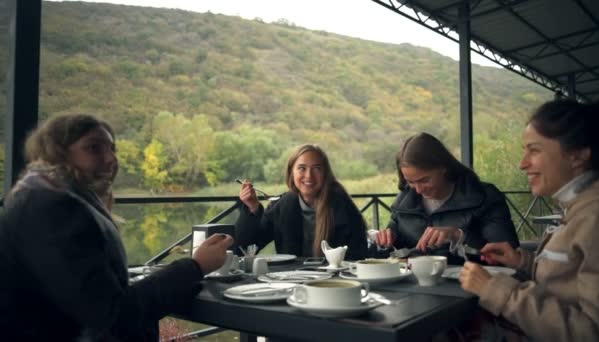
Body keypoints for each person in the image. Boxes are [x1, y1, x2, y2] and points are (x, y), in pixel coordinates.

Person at [0, 113, 234, 341]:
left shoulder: (37, 196)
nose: (111, 159)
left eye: (112, 149)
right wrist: (195, 266)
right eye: (94, 148)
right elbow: (114, 319)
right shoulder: (53, 208)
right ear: (57, 152)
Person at [460, 99, 599, 340]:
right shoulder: (580, 204)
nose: (522, 163)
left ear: (577, 156)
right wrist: (522, 261)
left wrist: (496, 291)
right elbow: (570, 276)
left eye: (534, 150)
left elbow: (596, 333)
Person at [375, 132, 519, 264]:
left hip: (471, 285)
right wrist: (386, 241)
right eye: (411, 182)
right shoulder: (404, 201)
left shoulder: (486, 197)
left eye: (425, 180)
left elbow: (506, 256)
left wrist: (458, 237)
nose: (418, 190)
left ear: (443, 168)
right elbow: (393, 255)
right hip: (413, 287)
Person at [236, 144, 367, 260]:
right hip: (291, 280)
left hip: (333, 281)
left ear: (325, 174)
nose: (309, 176)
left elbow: (359, 256)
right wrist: (252, 208)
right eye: (302, 168)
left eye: (316, 168)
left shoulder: (343, 207)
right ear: (291, 172)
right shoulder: (282, 206)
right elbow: (246, 248)